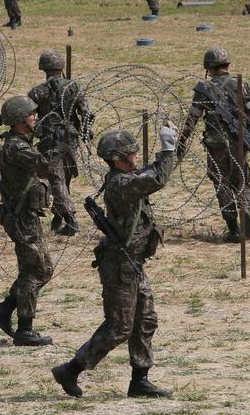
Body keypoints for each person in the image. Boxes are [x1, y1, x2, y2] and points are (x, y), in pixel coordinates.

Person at [52, 127, 176, 399]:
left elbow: (153, 172)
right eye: (131, 151)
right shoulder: (121, 184)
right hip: (119, 267)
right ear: (119, 158)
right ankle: (71, 370)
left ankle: (140, 380)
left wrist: (171, 150)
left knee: (145, 321)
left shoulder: (127, 177)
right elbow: (157, 177)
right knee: (118, 328)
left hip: (132, 264)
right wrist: (167, 150)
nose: (136, 154)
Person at [0, 96, 59, 346]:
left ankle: (5, 308)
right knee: (35, 270)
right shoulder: (17, 147)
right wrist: (57, 145)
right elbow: (44, 167)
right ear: (19, 121)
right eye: (31, 115)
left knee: (40, 268)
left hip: (24, 215)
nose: (35, 118)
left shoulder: (20, 143)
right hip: (21, 217)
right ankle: (24, 329)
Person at [176, 47, 250, 242]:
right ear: (228, 65)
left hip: (216, 143)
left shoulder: (204, 89)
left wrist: (182, 140)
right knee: (241, 178)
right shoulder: (243, 85)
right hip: (240, 140)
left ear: (208, 68)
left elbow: (193, 118)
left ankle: (232, 227)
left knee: (222, 181)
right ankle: (245, 209)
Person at [28, 50, 93, 236]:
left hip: (51, 139)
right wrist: (86, 131)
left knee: (56, 178)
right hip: (71, 138)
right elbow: (87, 112)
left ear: (44, 68)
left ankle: (71, 220)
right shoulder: (74, 87)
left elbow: (27, 115)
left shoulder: (38, 92)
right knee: (64, 177)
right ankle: (58, 216)